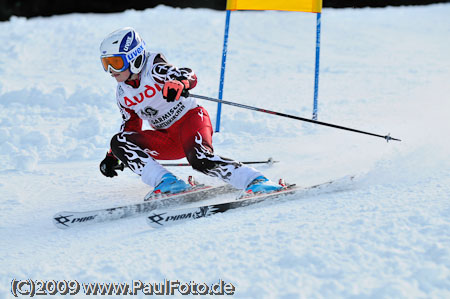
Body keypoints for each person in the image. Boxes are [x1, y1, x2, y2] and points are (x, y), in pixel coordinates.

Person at [98, 27, 282, 199]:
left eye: (116, 63)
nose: (110, 71)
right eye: (106, 64)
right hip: (168, 139)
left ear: (134, 58)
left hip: (191, 121)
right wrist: (115, 154)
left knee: (200, 159)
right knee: (118, 141)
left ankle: (257, 181)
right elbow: (131, 126)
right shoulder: (123, 92)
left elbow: (187, 74)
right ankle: (167, 182)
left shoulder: (154, 68)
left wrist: (179, 83)